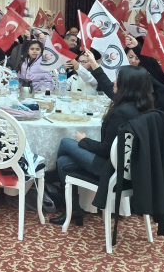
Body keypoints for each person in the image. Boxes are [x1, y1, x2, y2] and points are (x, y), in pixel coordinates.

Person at [50, 50, 153, 226]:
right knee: (63, 162)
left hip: (111, 168)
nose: (114, 82)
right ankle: (71, 207)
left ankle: (51, 184)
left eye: (118, 80)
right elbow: (105, 84)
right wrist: (94, 64)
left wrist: (84, 140)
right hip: (132, 168)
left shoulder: (122, 112)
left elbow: (106, 150)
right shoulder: (141, 105)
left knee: (66, 142)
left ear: (127, 85)